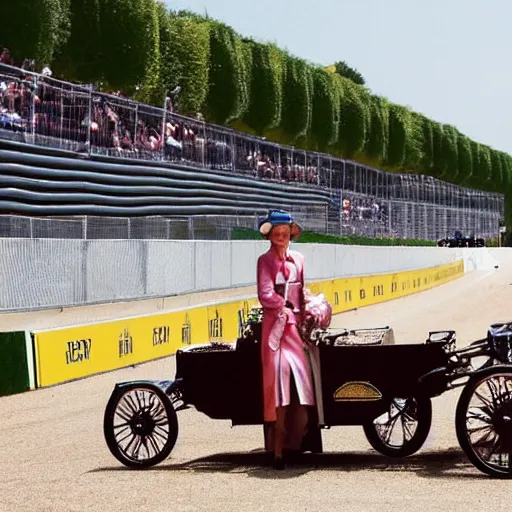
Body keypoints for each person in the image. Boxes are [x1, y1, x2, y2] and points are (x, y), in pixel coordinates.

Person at [256, 209, 316, 469]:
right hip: (274, 331)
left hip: (295, 331)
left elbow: (303, 291)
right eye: (276, 232)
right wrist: (284, 306)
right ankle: (277, 451)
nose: (281, 236)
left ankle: (297, 444)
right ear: (270, 236)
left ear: (291, 232)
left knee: (303, 386)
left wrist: (311, 309)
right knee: (277, 388)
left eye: (285, 231)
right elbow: (265, 294)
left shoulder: (299, 259)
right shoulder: (264, 261)